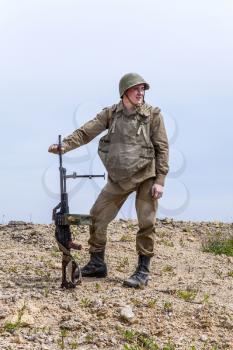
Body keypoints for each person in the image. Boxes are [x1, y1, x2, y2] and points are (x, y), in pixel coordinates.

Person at [48, 73, 169, 288]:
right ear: (124, 92)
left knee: (146, 223)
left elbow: (162, 148)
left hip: (146, 177)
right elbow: (86, 132)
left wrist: (160, 179)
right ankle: (97, 263)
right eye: (136, 89)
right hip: (119, 178)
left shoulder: (153, 115)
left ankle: (143, 270)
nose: (140, 93)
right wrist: (64, 146)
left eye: (143, 89)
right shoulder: (111, 114)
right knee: (97, 217)